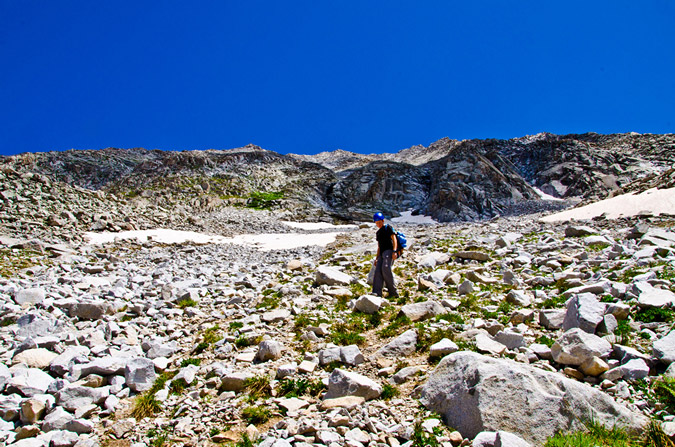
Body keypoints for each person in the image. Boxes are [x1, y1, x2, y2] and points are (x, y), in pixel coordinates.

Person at [372, 212, 398, 298]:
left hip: (389, 251)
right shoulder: (378, 233)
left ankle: (393, 292)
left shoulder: (388, 228)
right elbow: (379, 246)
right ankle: (376, 292)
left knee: (386, 267)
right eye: (377, 223)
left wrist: (394, 251)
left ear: (383, 221)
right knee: (378, 270)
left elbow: (394, 239)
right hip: (381, 254)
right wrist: (376, 258)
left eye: (380, 222)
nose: (378, 224)